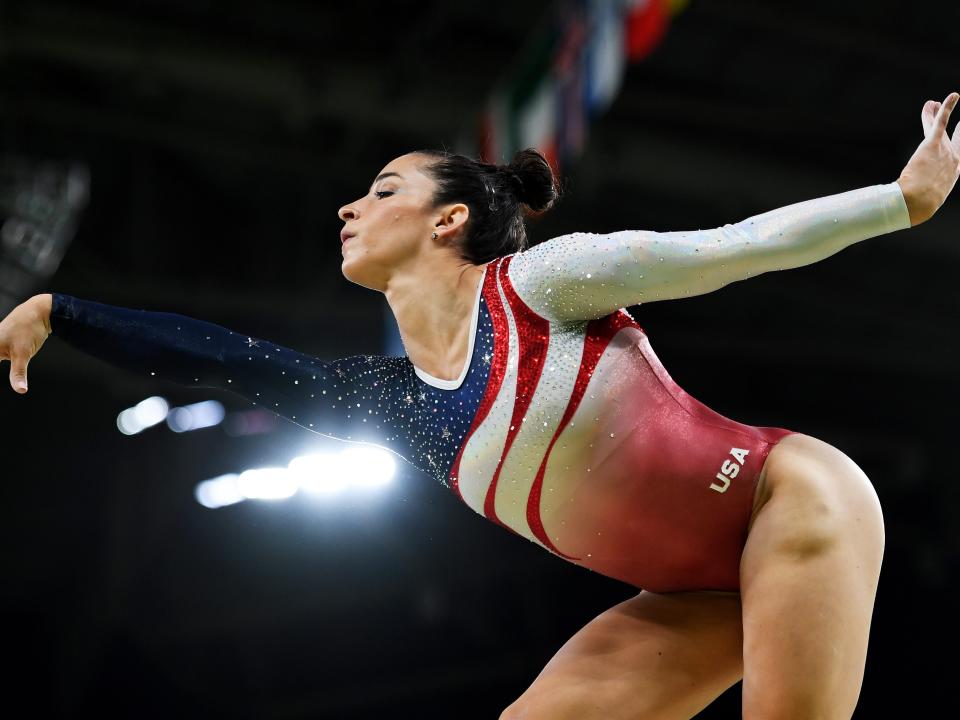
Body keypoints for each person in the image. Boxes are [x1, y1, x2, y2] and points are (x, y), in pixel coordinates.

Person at [2, 92, 958, 719]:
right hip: (688, 596)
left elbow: (729, 247)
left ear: (449, 219)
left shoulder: (543, 283)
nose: (349, 208)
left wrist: (898, 202)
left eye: (380, 191)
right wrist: (62, 310)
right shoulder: (390, 403)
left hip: (782, 500)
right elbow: (227, 362)